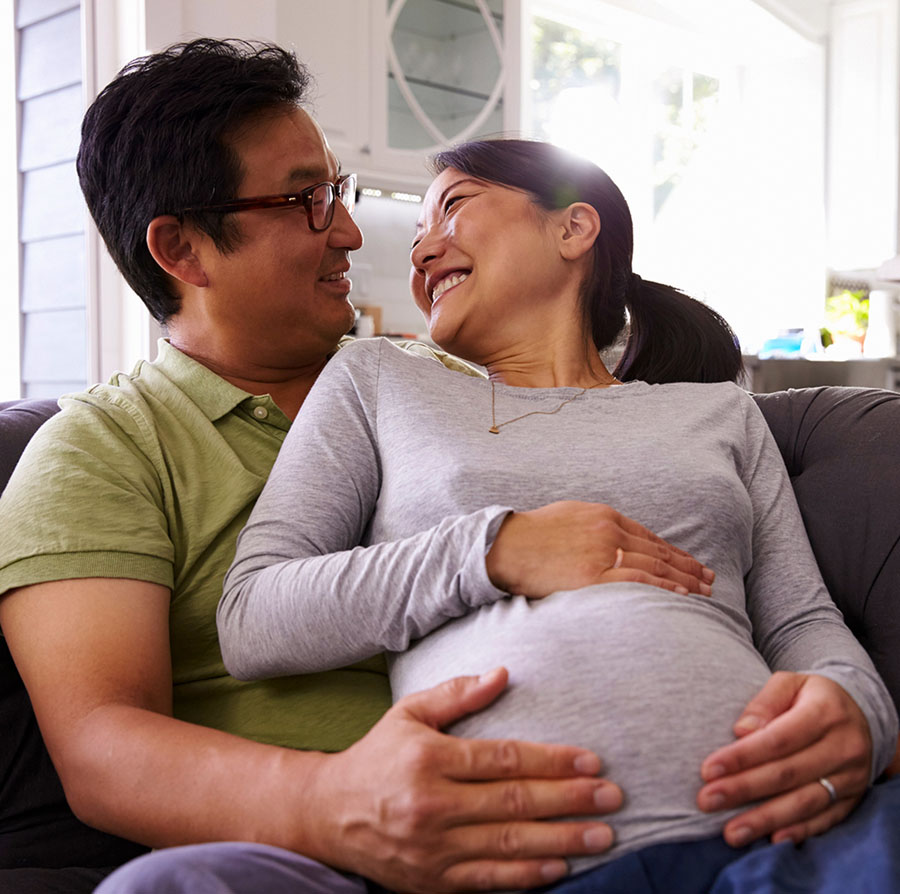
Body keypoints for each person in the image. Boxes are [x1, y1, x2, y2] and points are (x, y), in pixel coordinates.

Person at [0, 39, 727, 894]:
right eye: (307, 199)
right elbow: (101, 750)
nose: (348, 229)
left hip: (625, 806)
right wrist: (336, 801)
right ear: (184, 251)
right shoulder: (102, 448)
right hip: (323, 852)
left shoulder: (467, 389)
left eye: (336, 190)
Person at [213, 139, 900, 892]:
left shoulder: (718, 413)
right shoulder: (375, 380)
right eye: (415, 238)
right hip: (527, 868)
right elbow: (254, 616)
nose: (423, 252)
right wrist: (495, 549)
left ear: (573, 229)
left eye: (454, 206)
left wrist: (861, 713)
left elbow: (799, 618)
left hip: (779, 843)